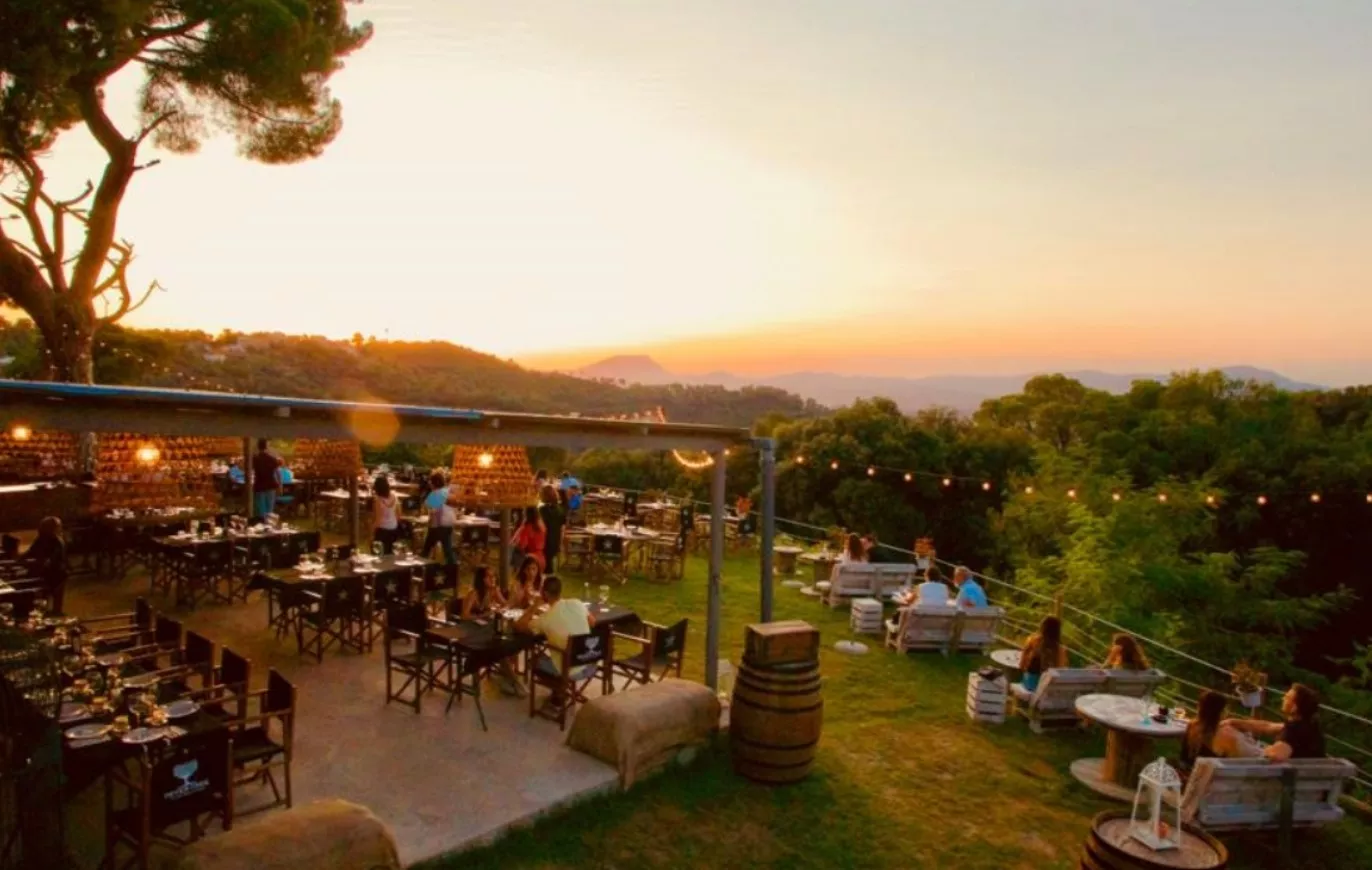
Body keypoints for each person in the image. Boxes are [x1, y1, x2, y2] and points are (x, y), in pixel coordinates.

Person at [517, 575, 596, 710]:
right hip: (589, 662)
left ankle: (559, 691)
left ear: (545, 594)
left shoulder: (546, 618)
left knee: (533, 661)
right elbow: (592, 622)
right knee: (557, 652)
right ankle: (559, 693)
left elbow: (519, 625)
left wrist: (534, 606)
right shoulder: (576, 603)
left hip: (570, 669)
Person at [1224, 684, 1326, 760]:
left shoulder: (1292, 732)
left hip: (1279, 779)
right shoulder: (1310, 726)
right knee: (1235, 733)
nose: (1283, 698)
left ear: (1294, 708)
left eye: (1287, 698)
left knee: (1227, 734)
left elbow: (1277, 756)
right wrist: (1233, 721)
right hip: (1307, 782)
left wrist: (1269, 749)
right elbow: (1267, 726)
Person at [1180, 691, 1260, 772]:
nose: (1228, 711)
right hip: (1210, 778)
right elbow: (1246, 756)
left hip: (1189, 772)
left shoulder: (1192, 725)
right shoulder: (1221, 734)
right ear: (1220, 711)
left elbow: (1183, 757)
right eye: (1226, 708)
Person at [22, 516, 67, 613]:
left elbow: (52, 559)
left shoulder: (58, 542)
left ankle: (54, 612)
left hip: (56, 574)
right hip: (44, 572)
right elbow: (31, 551)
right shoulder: (41, 539)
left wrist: (41, 563)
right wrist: (21, 559)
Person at [1018, 616, 1069, 694]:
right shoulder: (1060, 649)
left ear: (1043, 627)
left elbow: (1021, 665)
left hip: (1030, 684)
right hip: (1049, 689)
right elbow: (1061, 670)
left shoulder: (1033, 641)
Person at [421, 471, 459, 565]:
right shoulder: (447, 491)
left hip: (439, 525)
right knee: (446, 549)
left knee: (428, 548)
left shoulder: (435, 494)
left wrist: (429, 525)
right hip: (449, 523)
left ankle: (422, 566)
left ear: (433, 483)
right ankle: (452, 567)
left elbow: (431, 512)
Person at [250, 439, 282, 518]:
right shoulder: (272, 459)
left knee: (261, 508)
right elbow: (277, 472)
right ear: (267, 447)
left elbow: (247, 470)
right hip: (270, 484)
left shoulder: (255, 459)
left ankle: (262, 522)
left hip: (259, 484)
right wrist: (280, 485)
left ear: (258, 447)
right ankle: (269, 524)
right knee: (269, 508)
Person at [538, 484, 564, 573]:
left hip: (545, 540)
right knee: (549, 562)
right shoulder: (559, 510)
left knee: (545, 565)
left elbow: (541, 526)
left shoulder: (542, 510)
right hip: (555, 540)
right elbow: (562, 528)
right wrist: (560, 543)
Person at [372, 474, 400, 554]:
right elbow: (398, 515)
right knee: (391, 554)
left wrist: (371, 531)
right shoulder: (395, 497)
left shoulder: (378, 501)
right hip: (393, 529)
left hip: (382, 530)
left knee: (378, 553)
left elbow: (378, 520)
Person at [513, 505, 547, 570]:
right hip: (542, 558)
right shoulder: (542, 526)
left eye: (524, 511)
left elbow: (522, 545)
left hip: (531, 560)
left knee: (516, 552)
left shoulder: (527, 527)